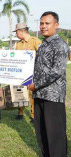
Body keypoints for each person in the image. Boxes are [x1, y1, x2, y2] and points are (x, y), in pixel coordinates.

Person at [29, 11, 70, 157]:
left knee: (55, 136)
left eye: (47, 23)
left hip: (53, 97)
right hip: (40, 95)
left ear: (56, 25)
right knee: (42, 133)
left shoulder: (60, 45)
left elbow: (56, 72)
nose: (43, 26)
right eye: (41, 23)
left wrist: (36, 84)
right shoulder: (43, 45)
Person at [14, 22, 42, 123]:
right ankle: (20, 112)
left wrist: (33, 55)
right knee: (20, 92)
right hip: (21, 73)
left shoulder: (35, 41)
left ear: (21, 31)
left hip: (33, 73)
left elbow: (43, 57)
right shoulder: (18, 44)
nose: (16, 34)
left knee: (32, 94)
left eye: (16, 32)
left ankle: (34, 115)